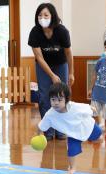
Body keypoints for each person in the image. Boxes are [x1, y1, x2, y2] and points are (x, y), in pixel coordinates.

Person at [28, 3, 75, 141]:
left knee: (61, 97)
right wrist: (52, 75)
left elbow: (68, 53)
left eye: (46, 15)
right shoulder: (35, 32)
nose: (42, 18)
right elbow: (39, 57)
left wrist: (71, 72)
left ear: (52, 16)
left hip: (61, 64)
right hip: (44, 67)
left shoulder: (62, 31)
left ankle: (60, 130)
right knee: (44, 98)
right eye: (40, 15)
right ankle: (48, 131)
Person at [38, 82, 102, 174]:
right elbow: (41, 126)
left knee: (98, 134)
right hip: (73, 133)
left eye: (60, 100)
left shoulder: (73, 107)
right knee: (71, 150)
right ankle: (72, 168)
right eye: (53, 99)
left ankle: (90, 138)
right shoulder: (50, 114)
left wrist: (90, 107)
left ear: (66, 100)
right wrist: (40, 135)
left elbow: (83, 107)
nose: (56, 103)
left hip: (85, 125)